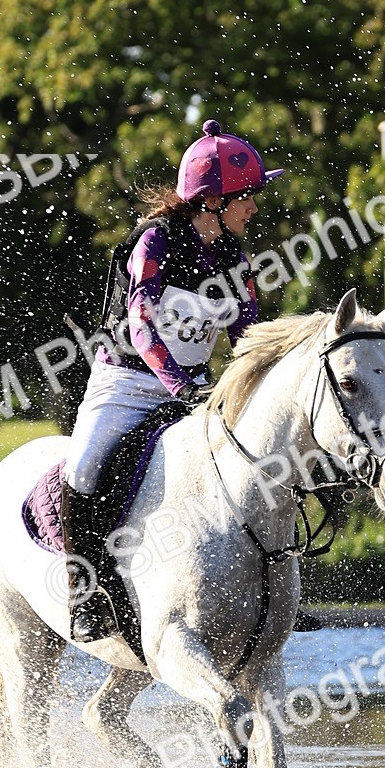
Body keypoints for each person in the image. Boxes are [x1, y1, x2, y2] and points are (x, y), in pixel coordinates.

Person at [61, 118, 284, 642]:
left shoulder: (235, 259)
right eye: (246, 196)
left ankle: (272, 593)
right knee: (84, 468)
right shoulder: (154, 243)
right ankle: (87, 595)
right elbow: (141, 324)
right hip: (127, 382)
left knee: (258, 460)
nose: (254, 207)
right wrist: (179, 384)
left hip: (197, 388)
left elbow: (249, 339)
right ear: (212, 201)